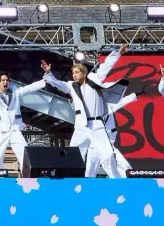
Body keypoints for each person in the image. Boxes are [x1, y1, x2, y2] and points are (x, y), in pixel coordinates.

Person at [41, 45, 128, 178]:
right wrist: (48, 73)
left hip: (97, 125)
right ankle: (71, 181)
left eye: (77, 72)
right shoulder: (72, 86)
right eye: (73, 73)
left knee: (108, 154)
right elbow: (57, 84)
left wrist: (118, 53)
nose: (74, 75)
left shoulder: (94, 80)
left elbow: (106, 66)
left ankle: (115, 180)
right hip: (81, 126)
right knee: (74, 154)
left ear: (84, 73)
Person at [0, 69, 47, 170]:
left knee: (25, 154)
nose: (6, 82)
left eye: (7, 80)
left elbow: (29, 88)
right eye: (3, 80)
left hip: (14, 129)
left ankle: (28, 175)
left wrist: (44, 81)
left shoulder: (15, 93)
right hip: (0, 130)